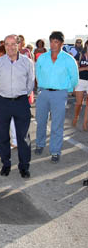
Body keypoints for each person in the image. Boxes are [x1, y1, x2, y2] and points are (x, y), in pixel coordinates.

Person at [0, 35, 35, 178]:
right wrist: (3, 94)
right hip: (2, 102)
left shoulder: (27, 62)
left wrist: (21, 94)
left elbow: (30, 82)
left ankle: (24, 166)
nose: (10, 47)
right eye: (7, 44)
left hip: (21, 102)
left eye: (13, 44)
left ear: (18, 44)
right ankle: (6, 164)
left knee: (23, 137)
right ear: (4, 45)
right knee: (2, 135)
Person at [35, 31, 79, 162]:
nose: (53, 45)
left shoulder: (68, 59)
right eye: (52, 41)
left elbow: (74, 77)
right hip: (43, 93)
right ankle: (40, 144)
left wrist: (67, 90)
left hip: (60, 94)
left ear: (61, 43)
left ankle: (55, 151)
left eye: (56, 42)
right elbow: (37, 74)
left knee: (57, 124)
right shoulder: (42, 58)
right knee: (41, 121)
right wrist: (41, 88)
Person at [72, 40, 88, 130]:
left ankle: (85, 123)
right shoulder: (79, 54)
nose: (78, 43)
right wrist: (85, 68)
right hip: (81, 80)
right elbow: (76, 69)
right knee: (79, 103)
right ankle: (76, 117)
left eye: (79, 42)